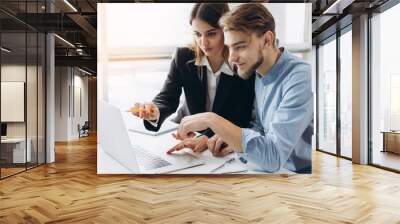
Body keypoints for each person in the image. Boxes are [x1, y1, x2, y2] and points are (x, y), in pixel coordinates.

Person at [171, 3, 313, 173]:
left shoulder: (300, 77)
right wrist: (229, 139)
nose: (231, 58)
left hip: (298, 177)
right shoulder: (260, 72)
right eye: (230, 47)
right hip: (268, 172)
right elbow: (260, 128)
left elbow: (273, 156)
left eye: (240, 46)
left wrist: (211, 119)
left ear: (267, 40)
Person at [130, 3, 254, 153]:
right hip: (184, 133)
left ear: (226, 30)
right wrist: (155, 111)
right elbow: (167, 97)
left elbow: (241, 115)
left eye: (211, 34)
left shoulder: (241, 62)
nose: (203, 42)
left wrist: (207, 137)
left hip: (220, 142)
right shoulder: (183, 57)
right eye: (197, 34)